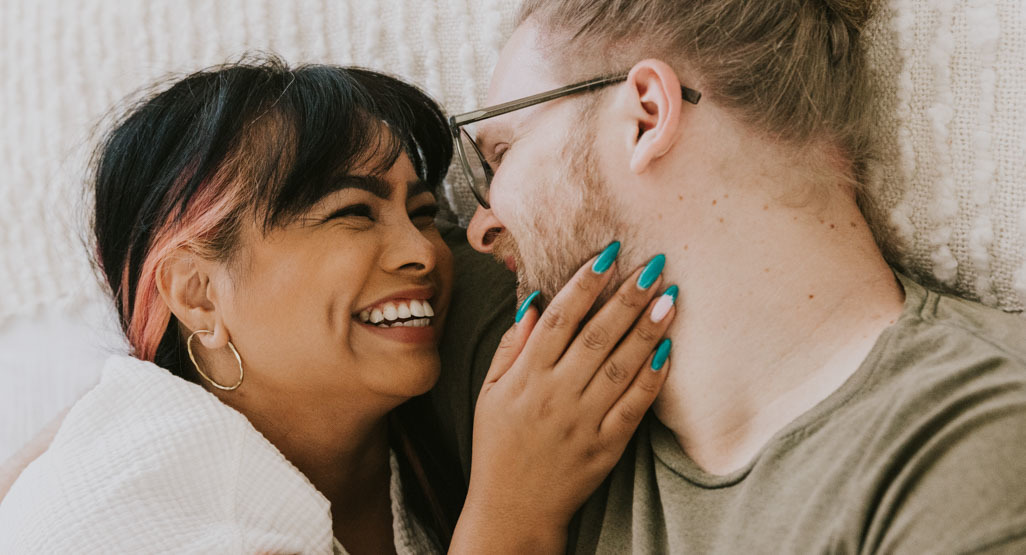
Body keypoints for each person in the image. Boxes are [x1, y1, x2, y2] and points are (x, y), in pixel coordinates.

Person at [0, 58, 679, 554]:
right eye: (352, 212)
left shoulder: (406, 449)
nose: (424, 251)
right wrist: (513, 512)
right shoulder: (122, 511)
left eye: (422, 212)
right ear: (197, 293)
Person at [439, 0, 1026, 552]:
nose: (480, 227)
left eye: (501, 155)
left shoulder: (966, 440)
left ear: (646, 114)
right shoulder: (533, 430)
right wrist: (506, 513)